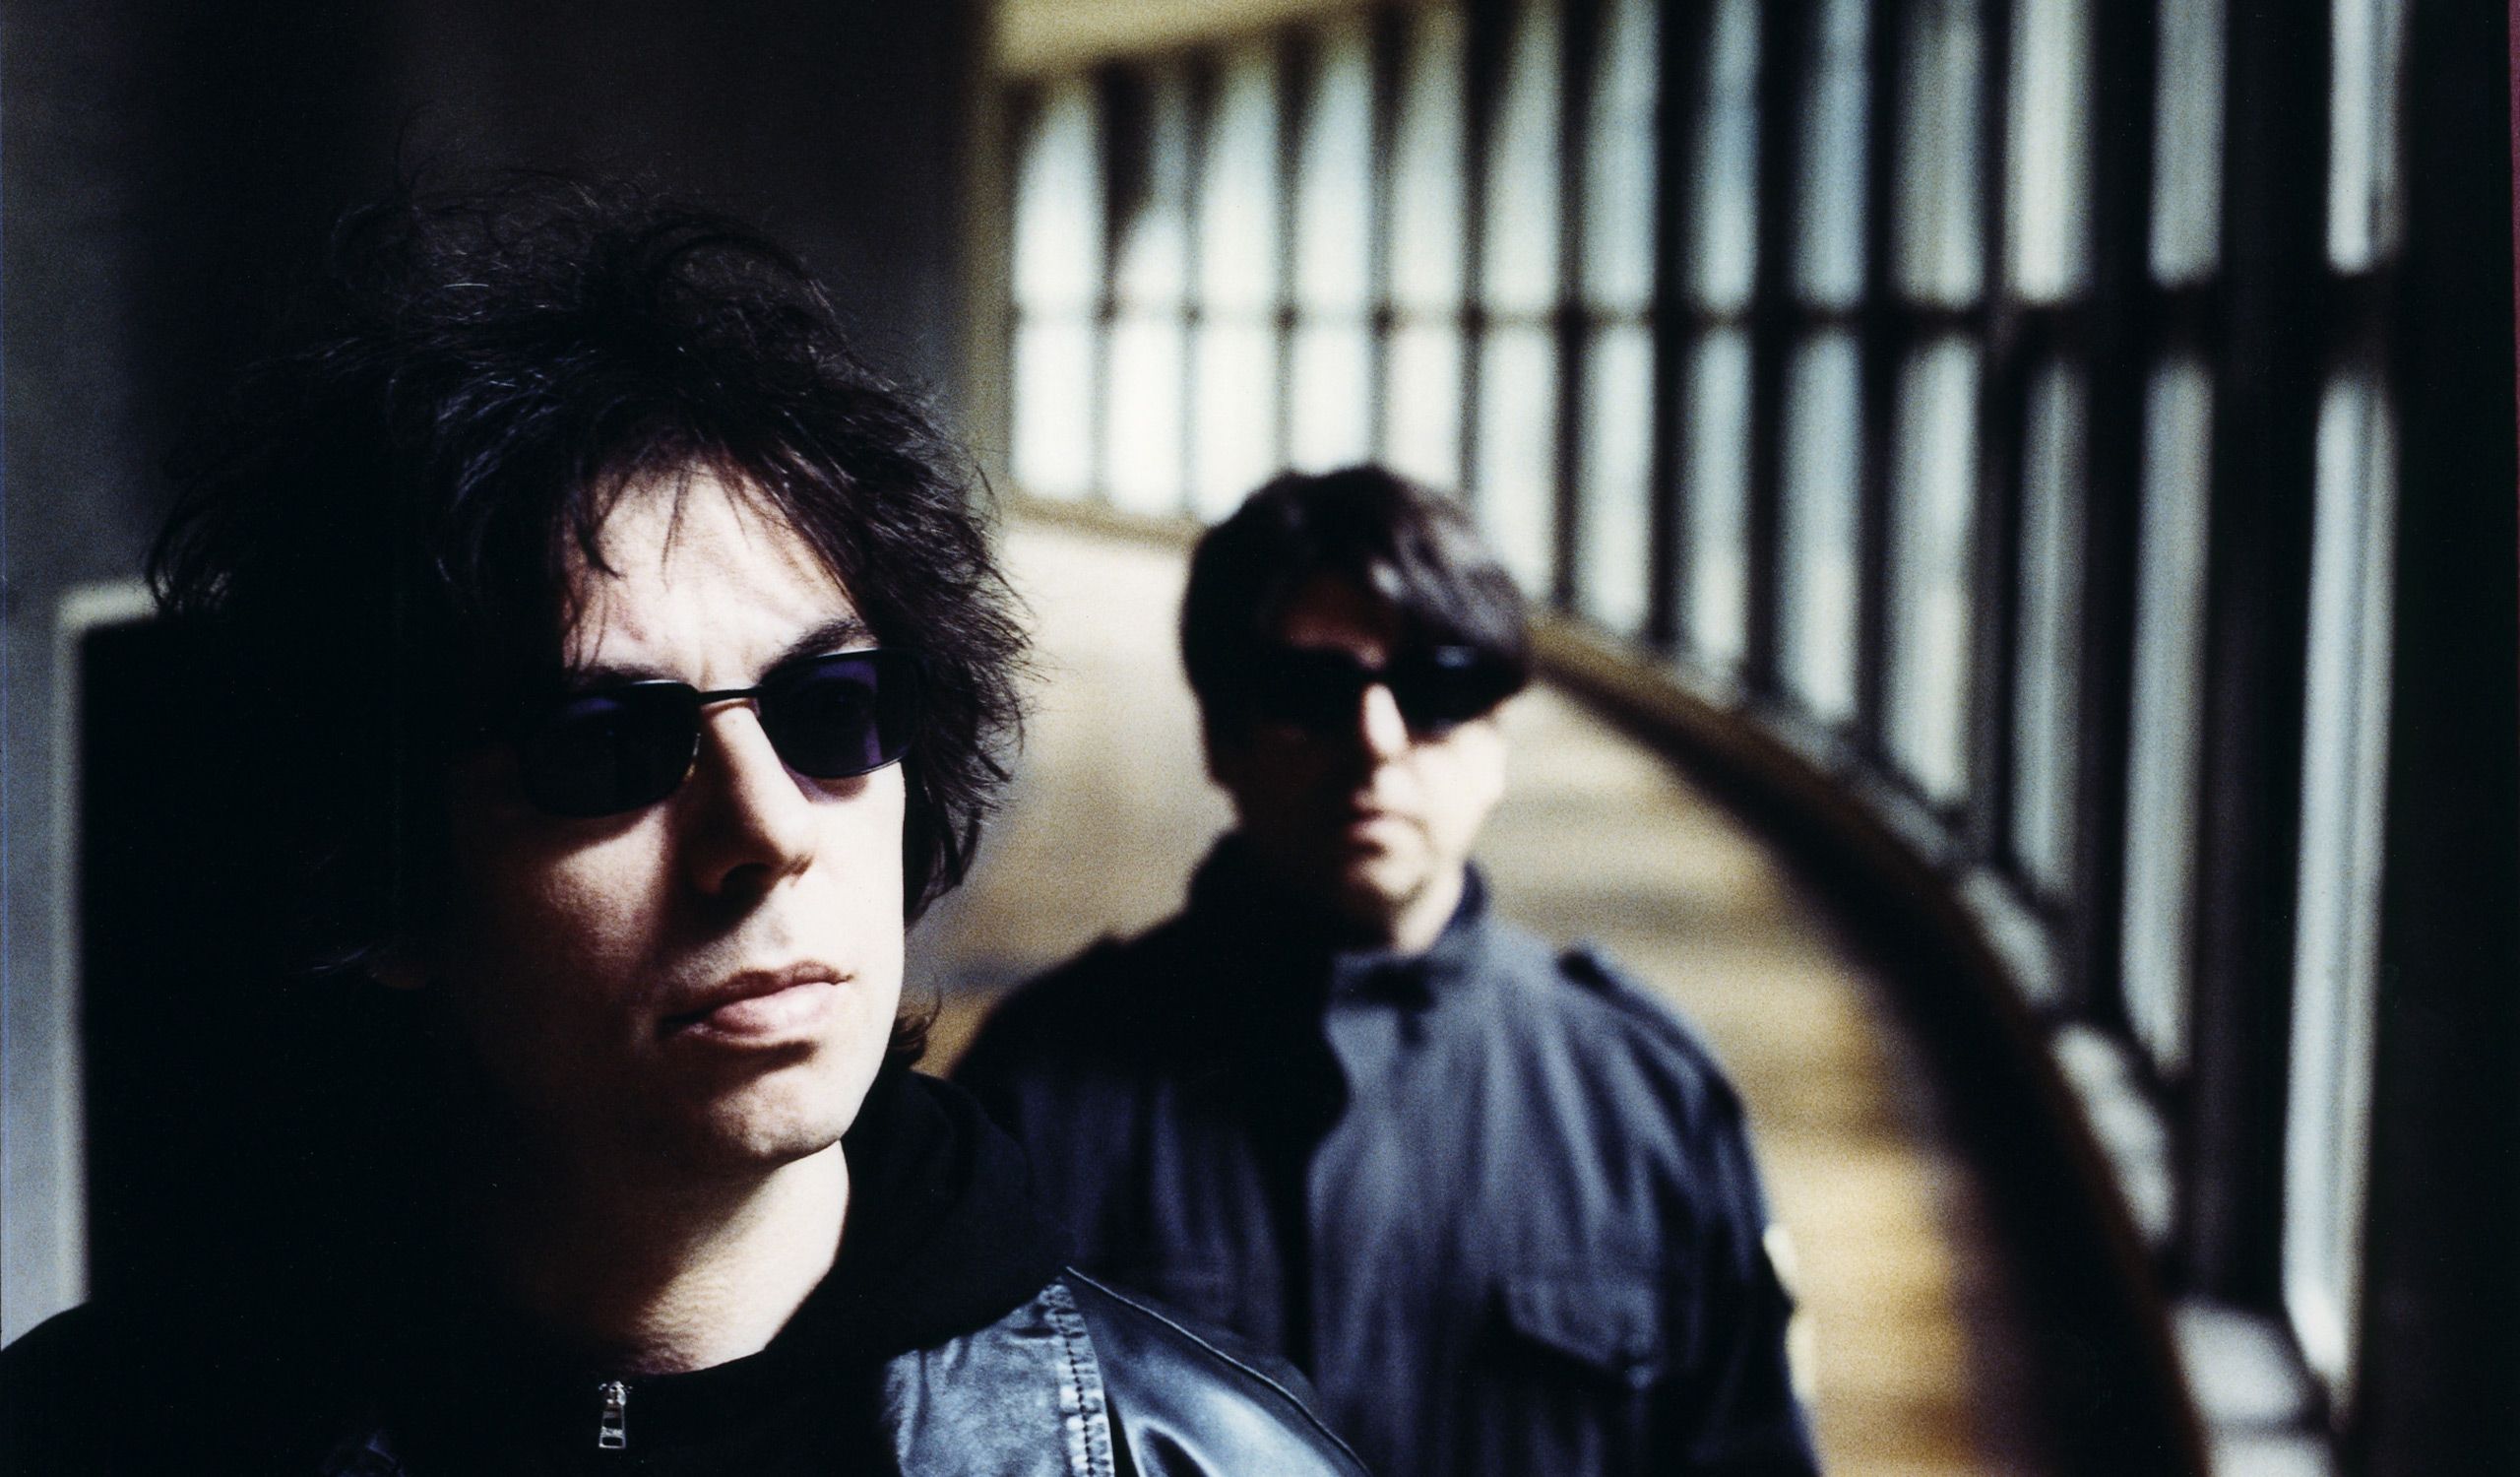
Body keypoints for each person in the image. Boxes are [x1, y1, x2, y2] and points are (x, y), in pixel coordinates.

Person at [0, 181, 1365, 1476]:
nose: (766, 830)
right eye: (604, 748)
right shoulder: (87, 1438)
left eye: (830, 710)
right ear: (386, 880)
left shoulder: (1202, 1456)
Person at [956, 467, 1822, 1477]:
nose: (1375, 742)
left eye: (1435, 692)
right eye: (1308, 693)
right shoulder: (1039, 1094)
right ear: (1221, 734)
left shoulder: (1649, 1101)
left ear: (1496, 738)